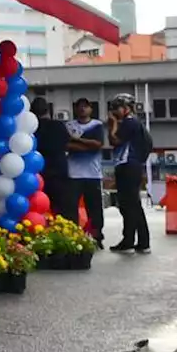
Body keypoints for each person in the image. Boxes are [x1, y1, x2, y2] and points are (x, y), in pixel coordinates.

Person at [108, 92, 151, 254]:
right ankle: (143, 242)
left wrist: (112, 125)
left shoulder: (128, 122)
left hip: (128, 165)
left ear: (126, 108)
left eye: (117, 108)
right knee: (134, 204)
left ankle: (128, 241)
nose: (114, 112)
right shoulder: (135, 124)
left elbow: (114, 140)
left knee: (128, 205)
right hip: (133, 165)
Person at [66, 97, 106, 248]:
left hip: (93, 174)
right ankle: (73, 236)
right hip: (73, 174)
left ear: (91, 109)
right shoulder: (69, 126)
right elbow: (67, 145)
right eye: (79, 106)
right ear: (75, 109)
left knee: (95, 208)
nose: (82, 109)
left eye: (86, 106)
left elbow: (98, 144)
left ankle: (97, 237)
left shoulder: (97, 125)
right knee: (71, 207)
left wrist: (78, 140)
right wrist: (87, 145)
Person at [31, 97, 74, 221]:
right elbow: (67, 142)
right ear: (48, 110)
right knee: (61, 209)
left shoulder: (30, 129)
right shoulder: (58, 125)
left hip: (37, 173)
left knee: (37, 208)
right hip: (58, 171)